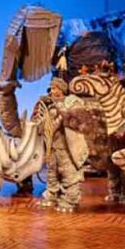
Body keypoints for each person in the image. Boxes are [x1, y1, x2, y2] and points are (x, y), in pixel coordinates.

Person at [39, 77, 89, 212]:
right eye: (51, 88)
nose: (51, 91)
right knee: (52, 171)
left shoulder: (73, 102)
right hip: (52, 144)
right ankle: (52, 194)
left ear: (61, 89)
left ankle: (70, 199)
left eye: (54, 88)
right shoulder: (50, 105)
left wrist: (60, 108)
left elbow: (77, 120)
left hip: (67, 145)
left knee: (68, 171)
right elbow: (44, 125)